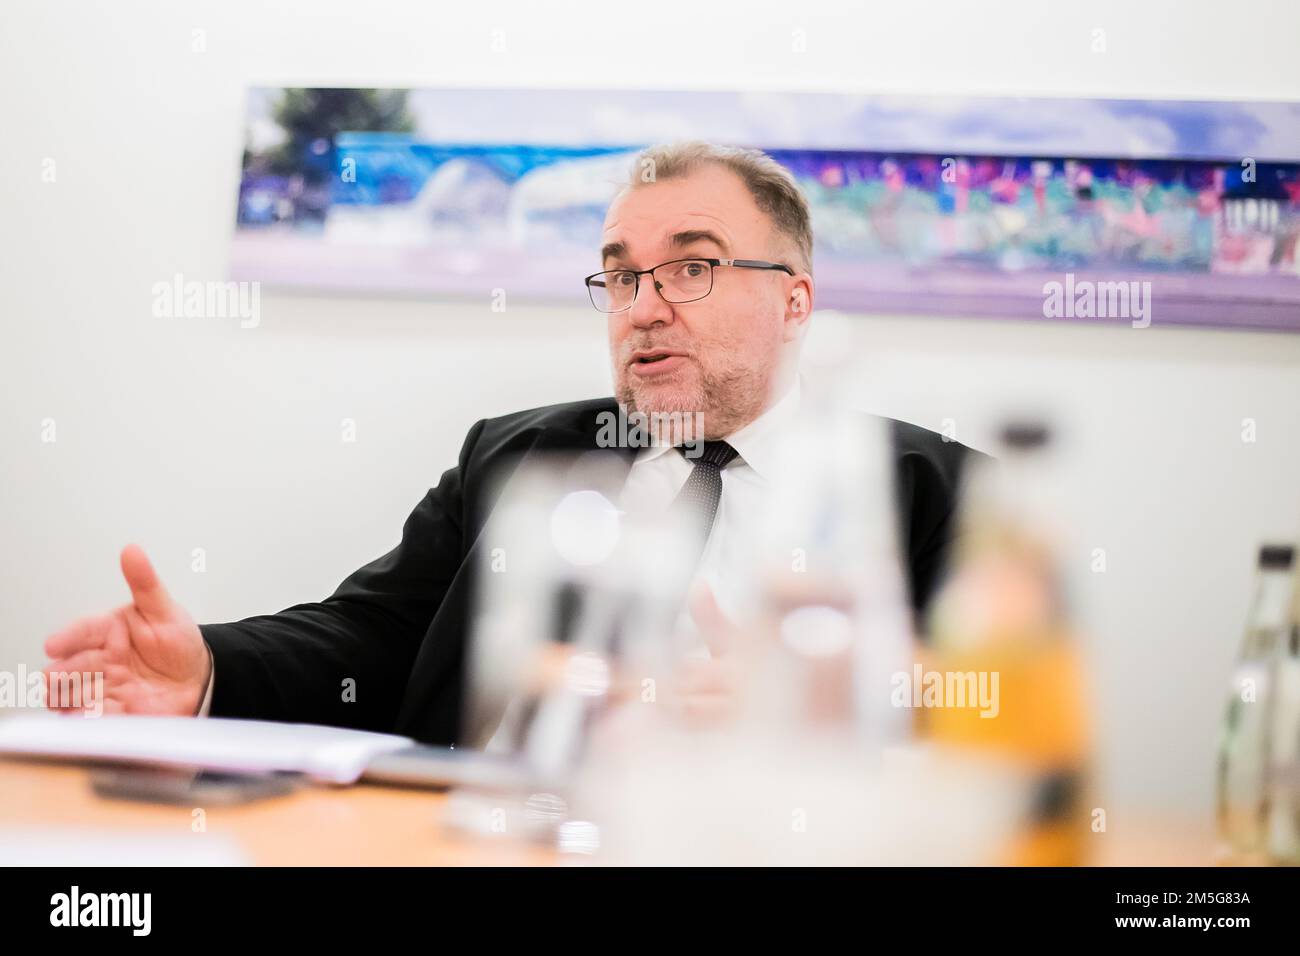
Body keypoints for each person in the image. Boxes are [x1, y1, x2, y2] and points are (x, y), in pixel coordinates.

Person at [42, 141, 977, 745]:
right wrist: (210, 666)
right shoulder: (514, 458)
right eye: (619, 278)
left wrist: (836, 707)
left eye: (690, 267)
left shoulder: (934, 493)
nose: (643, 309)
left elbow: (997, 711)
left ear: (794, 299)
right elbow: (374, 638)